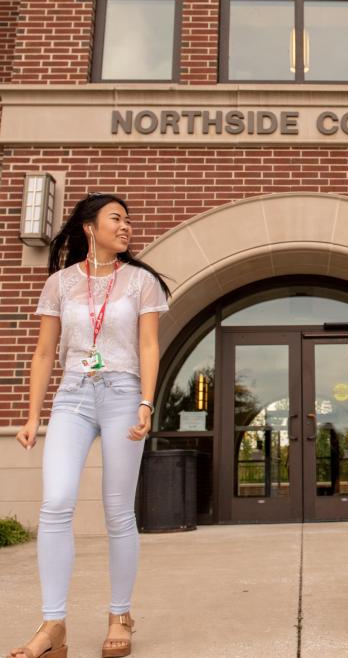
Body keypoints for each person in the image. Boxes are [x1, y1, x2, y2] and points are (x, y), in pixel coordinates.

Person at [7, 193, 170, 658]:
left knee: (118, 511)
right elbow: (43, 352)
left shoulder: (141, 282)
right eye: (116, 219)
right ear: (88, 228)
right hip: (73, 396)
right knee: (55, 503)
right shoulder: (59, 284)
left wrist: (145, 402)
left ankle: (120, 614)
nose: (126, 227)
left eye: (128, 220)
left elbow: (149, 346)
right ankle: (52, 625)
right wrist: (33, 415)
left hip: (122, 394)